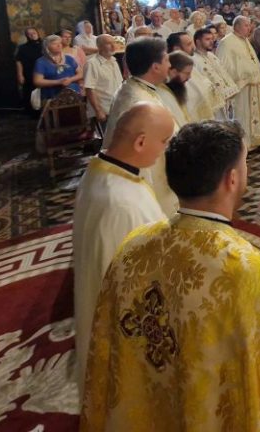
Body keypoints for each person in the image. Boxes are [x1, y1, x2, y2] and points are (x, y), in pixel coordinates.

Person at [80, 121, 260, 432]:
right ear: (232, 179)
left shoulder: (131, 249)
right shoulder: (254, 274)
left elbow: (106, 351)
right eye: (245, 163)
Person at [72, 102, 173, 391]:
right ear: (140, 142)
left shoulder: (100, 167)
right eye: (163, 141)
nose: (164, 149)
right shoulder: (123, 204)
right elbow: (142, 282)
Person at [103, 37, 178, 216]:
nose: (170, 65)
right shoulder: (139, 101)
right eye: (167, 60)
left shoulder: (135, 87)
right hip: (143, 183)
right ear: (155, 67)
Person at [218, 16, 260, 150]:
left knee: (254, 114)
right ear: (237, 26)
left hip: (253, 85)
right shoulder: (226, 42)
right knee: (242, 114)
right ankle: (244, 143)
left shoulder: (245, 40)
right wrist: (243, 77)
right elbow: (223, 67)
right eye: (246, 25)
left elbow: (253, 61)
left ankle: (256, 138)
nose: (249, 28)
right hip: (241, 87)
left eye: (249, 25)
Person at [192, 28, 239, 121]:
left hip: (223, 100)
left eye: (212, 39)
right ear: (198, 42)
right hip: (210, 104)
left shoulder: (212, 56)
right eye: (207, 39)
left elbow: (223, 73)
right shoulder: (194, 60)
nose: (211, 42)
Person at [82, 34, 123, 136]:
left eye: (114, 43)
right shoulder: (92, 64)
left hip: (118, 108)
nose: (113, 46)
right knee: (108, 140)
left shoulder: (114, 61)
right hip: (104, 110)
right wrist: (98, 110)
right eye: (108, 43)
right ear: (99, 46)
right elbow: (89, 89)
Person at [158, 51, 204, 127]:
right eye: (187, 73)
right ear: (173, 72)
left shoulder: (174, 89)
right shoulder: (163, 94)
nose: (189, 77)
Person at [33, 35, 83, 102]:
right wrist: (58, 82)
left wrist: (70, 79)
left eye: (60, 43)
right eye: (54, 43)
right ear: (47, 47)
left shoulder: (69, 58)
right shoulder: (41, 62)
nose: (59, 45)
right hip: (52, 97)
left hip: (74, 95)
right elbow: (37, 81)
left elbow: (81, 74)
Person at [14, 27, 44, 110]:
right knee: (30, 93)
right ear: (27, 36)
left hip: (44, 73)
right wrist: (20, 75)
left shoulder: (45, 45)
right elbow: (18, 61)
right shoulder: (23, 48)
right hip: (29, 73)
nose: (32, 35)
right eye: (29, 34)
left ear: (37, 33)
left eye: (33, 33)